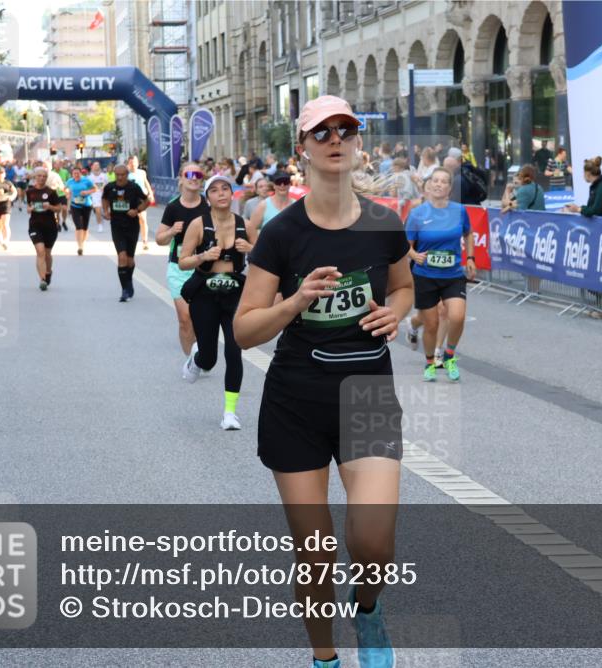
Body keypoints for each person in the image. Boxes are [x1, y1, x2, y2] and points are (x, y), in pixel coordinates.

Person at [234, 94, 413, 668]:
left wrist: (398, 311)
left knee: (374, 545)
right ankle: (325, 659)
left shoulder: (385, 222)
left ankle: (368, 610)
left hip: (367, 395)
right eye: (322, 132)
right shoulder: (282, 233)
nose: (336, 139)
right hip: (296, 400)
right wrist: (297, 300)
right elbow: (243, 331)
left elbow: (405, 285)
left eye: (346, 130)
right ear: (303, 148)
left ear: (358, 143)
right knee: (314, 554)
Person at [177, 174, 255, 430]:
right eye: (214, 190)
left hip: (234, 294)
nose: (221, 193)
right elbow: (183, 261)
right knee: (210, 359)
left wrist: (250, 250)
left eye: (225, 189)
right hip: (205, 295)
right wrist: (202, 256)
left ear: (232, 194)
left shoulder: (245, 224)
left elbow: (266, 259)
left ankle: (230, 413)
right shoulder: (199, 225)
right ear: (207, 197)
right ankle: (198, 357)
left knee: (234, 351)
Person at [404, 167, 475, 382]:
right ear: (428, 185)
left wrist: (470, 258)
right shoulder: (417, 214)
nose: (438, 184)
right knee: (432, 323)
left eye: (444, 182)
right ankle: (429, 363)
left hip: (453, 274)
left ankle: (449, 355)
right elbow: (405, 245)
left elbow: (468, 233)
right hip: (425, 275)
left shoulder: (459, 211)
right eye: (435, 180)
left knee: (457, 316)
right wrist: (414, 255)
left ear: (449, 189)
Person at [156, 162, 209, 356]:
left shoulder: (208, 205)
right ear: (181, 178)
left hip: (205, 268)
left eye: (198, 174)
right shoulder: (173, 207)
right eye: (189, 174)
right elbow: (159, 239)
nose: (194, 177)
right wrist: (171, 231)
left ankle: (202, 352)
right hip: (179, 269)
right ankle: (192, 361)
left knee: (201, 318)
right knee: (185, 319)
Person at [101, 165, 150, 302]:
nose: (120, 177)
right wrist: (106, 211)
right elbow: (104, 199)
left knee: (130, 259)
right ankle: (124, 290)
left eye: (122, 174)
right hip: (116, 226)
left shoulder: (133, 187)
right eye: (117, 175)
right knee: (121, 257)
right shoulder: (109, 187)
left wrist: (137, 210)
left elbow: (147, 200)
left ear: (127, 174)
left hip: (132, 226)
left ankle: (128, 282)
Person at [24, 167, 61, 290]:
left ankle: (48, 271)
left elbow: (59, 208)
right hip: (35, 225)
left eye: (44, 176)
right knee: (40, 252)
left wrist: (50, 206)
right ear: (35, 177)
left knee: (47, 253)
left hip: (50, 226)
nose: (42, 178)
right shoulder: (30, 191)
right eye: (39, 176)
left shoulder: (51, 192)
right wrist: (30, 209)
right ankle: (42, 279)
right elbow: (28, 207)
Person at [65, 166, 97, 256]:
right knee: (78, 226)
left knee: (85, 228)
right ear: (72, 174)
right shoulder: (70, 181)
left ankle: (82, 244)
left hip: (86, 205)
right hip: (75, 206)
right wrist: (67, 193)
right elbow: (65, 188)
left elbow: (95, 188)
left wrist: (87, 192)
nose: (76, 175)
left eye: (78, 173)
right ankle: (80, 247)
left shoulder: (86, 180)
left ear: (81, 173)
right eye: (74, 173)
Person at [127, 155, 155, 250]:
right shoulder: (126, 173)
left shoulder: (142, 172)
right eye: (131, 163)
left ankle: (145, 241)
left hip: (141, 199)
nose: (133, 164)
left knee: (142, 219)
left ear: (137, 163)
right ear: (128, 164)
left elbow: (146, 183)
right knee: (130, 221)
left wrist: (150, 193)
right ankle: (130, 240)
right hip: (129, 200)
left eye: (134, 162)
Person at [88, 162, 109, 232]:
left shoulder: (104, 176)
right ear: (92, 167)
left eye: (97, 165)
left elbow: (107, 185)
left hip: (103, 195)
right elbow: (88, 187)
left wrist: (104, 188)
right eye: (95, 165)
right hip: (95, 196)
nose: (96, 166)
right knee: (98, 210)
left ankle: (101, 218)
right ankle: (99, 225)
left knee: (103, 210)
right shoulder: (89, 177)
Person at [51, 160, 70, 231]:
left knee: (64, 209)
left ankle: (64, 222)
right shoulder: (51, 172)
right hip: (54, 194)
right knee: (57, 211)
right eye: (56, 164)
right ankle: (57, 224)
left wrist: (68, 191)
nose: (58, 165)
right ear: (54, 165)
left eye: (59, 164)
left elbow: (69, 181)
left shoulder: (65, 172)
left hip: (63, 193)